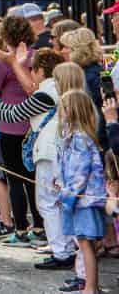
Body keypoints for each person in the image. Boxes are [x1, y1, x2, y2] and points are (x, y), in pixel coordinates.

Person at [0, 56, 82, 269]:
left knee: (48, 203)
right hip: (52, 150)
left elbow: (15, 114)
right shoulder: (54, 93)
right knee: (53, 202)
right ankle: (62, 247)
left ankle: (62, 250)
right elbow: (13, 111)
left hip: (49, 151)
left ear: (40, 71)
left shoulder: (45, 94)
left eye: (32, 70)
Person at [0, 15, 43, 246]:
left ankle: (20, 228)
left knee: (15, 178)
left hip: (10, 125)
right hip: (34, 124)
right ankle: (39, 226)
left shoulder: (4, 63)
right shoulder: (36, 56)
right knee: (33, 177)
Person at [56, 90, 107, 294]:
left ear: (72, 110)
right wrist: (59, 181)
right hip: (84, 199)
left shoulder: (79, 138)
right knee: (86, 244)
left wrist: (66, 193)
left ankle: (90, 287)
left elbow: (79, 173)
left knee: (86, 243)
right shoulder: (80, 136)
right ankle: (90, 285)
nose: (61, 112)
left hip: (83, 201)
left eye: (64, 108)